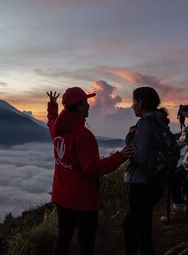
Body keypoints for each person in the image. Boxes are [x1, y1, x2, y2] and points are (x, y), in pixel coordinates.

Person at [46, 88, 134, 255]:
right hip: (83, 202)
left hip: (61, 196)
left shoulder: (57, 130)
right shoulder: (84, 136)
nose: (89, 106)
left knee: (62, 240)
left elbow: (51, 121)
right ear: (78, 107)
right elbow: (91, 168)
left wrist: (52, 106)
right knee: (86, 246)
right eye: (85, 103)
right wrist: (119, 156)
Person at [123, 87, 168, 255]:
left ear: (141, 102)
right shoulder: (160, 120)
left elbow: (140, 157)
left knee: (138, 232)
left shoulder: (144, 123)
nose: (132, 105)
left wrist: (129, 138)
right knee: (137, 227)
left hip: (141, 183)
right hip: (156, 181)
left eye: (134, 101)